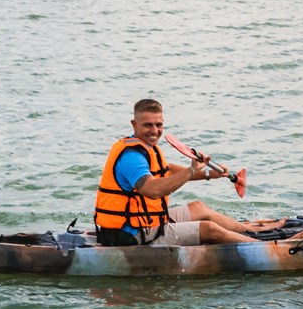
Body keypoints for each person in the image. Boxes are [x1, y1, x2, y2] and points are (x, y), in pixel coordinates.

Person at [94, 99, 276, 247]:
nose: (154, 131)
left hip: (146, 221)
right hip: (131, 233)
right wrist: (190, 171)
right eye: (148, 125)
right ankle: (266, 247)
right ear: (134, 124)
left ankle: (255, 232)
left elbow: (168, 170)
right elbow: (152, 190)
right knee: (208, 229)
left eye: (159, 124)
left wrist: (208, 174)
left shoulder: (146, 148)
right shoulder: (131, 156)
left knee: (198, 207)